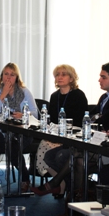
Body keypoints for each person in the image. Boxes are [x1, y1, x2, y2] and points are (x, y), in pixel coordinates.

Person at [31, 64, 88, 196]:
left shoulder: (78, 95)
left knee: (57, 155)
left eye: (64, 74)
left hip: (73, 138)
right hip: (56, 135)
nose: (60, 77)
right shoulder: (54, 96)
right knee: (44, 152)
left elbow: (80, 122)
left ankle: (61, 185)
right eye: (57, 75)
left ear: (71, 78)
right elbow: (51, 120)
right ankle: (64, 184)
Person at [0, 63, 37, 186]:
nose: (8, 77)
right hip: (3, 131)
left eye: (12, 75)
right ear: (2, 76)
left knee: (12, 149)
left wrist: (23, 115)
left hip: (23, 132)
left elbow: (35, 114)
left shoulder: (25, 92)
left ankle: (25, 179)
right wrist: (3, 94)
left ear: (17, 77)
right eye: (6, 74)